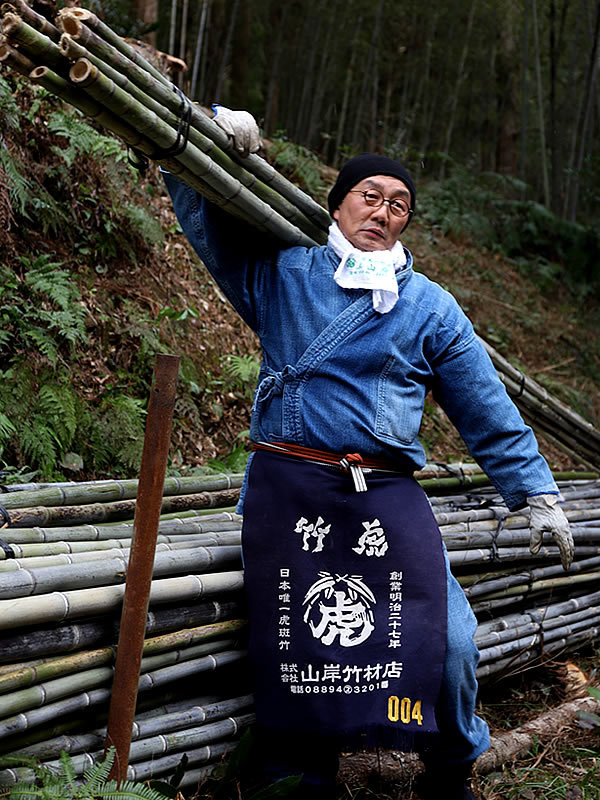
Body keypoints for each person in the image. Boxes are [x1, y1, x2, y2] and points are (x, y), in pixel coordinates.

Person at [163, 109, 574, 800]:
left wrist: (535, 493)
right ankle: (301, 775)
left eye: (399, 204)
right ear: (339, 204)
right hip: (288, 488)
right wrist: (214, 138)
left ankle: (450, 768)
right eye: (369, 196)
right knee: (296, 638)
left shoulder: (431, 307)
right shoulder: (285, 273)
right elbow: (212, 229)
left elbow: (485, 407)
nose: (383, 212)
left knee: (447, 641)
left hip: (382, 495)